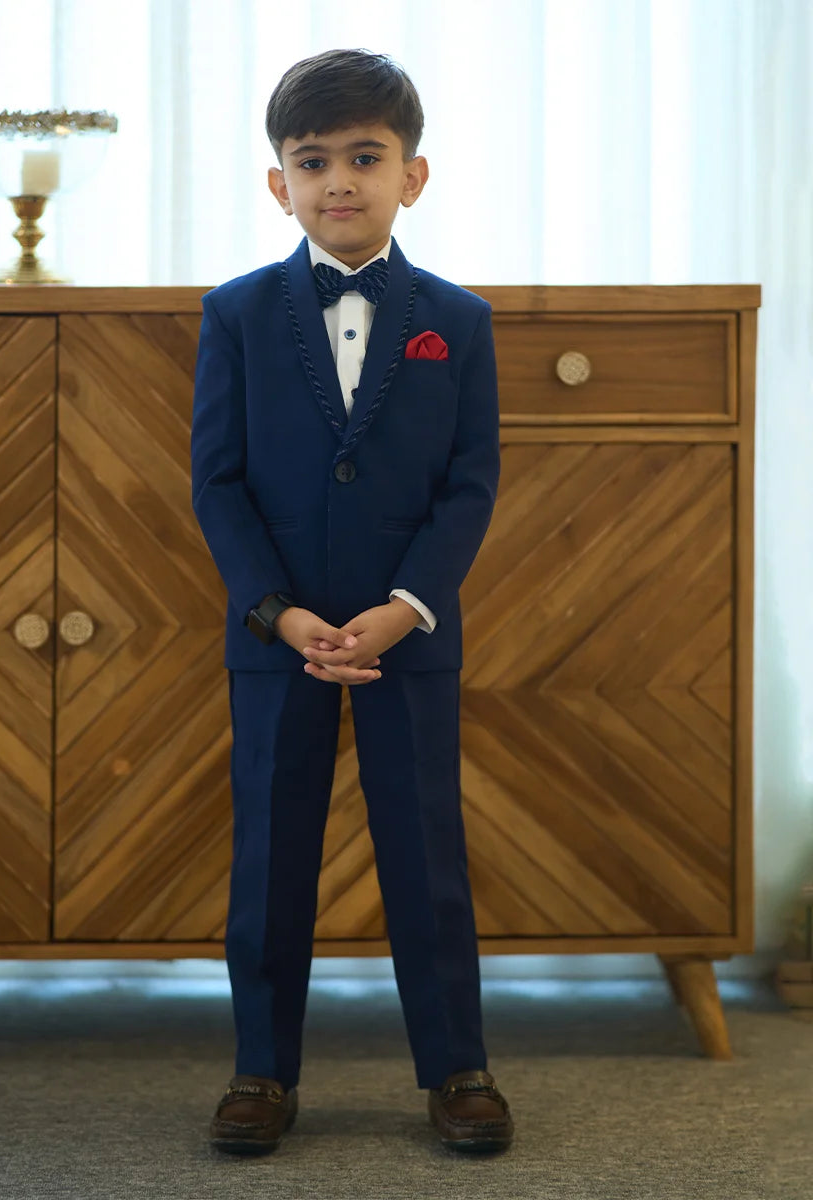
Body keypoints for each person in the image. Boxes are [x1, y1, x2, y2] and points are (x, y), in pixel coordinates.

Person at [190, 47, 512, 1156]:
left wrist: (408, 603)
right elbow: (217, 482)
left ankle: (458, 1067)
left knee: (426, 852)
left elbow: (469, 485)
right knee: (270, 858)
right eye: (311, 159)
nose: (339, 179)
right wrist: (273, 610)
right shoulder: (233, 314)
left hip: (406, 635)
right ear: (277, 182)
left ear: (410, 176)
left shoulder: (455, 322)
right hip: (277, 634)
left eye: (364, 157)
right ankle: (261, 1073)